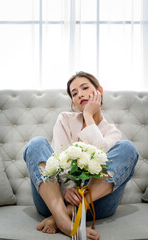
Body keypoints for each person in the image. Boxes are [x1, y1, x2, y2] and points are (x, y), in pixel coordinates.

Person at [23, 71, 139, 240]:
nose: (80, 94)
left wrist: (88, 115)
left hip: (96, 205)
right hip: (54, 200)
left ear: (99, 91)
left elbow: (100, 151)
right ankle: (64, 221)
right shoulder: (64, 119)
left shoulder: (112, 133)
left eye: (85, 88)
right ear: (73, 101)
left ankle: (63, 216)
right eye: (74, 93)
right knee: (36, 143)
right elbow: (58, 159)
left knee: (128, 148)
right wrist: (67, 190)